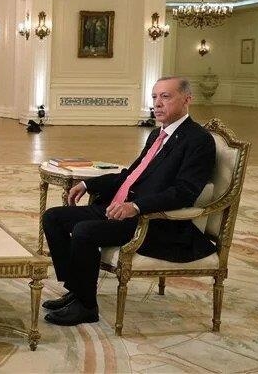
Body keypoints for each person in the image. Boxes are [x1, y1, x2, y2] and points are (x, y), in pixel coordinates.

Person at [42, 76, 216, 326]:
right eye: (155, 97)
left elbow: (184, 192)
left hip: (151, 221)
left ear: (187, 99)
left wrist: (135, 207)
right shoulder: (157, 134)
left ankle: (86, 307)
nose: (157, 103)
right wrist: (89, 184)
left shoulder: (198, 140)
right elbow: (131, 175)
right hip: (120, 208)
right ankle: (77, 290)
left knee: (84, 231)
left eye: (165, 96)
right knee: (53, 218)